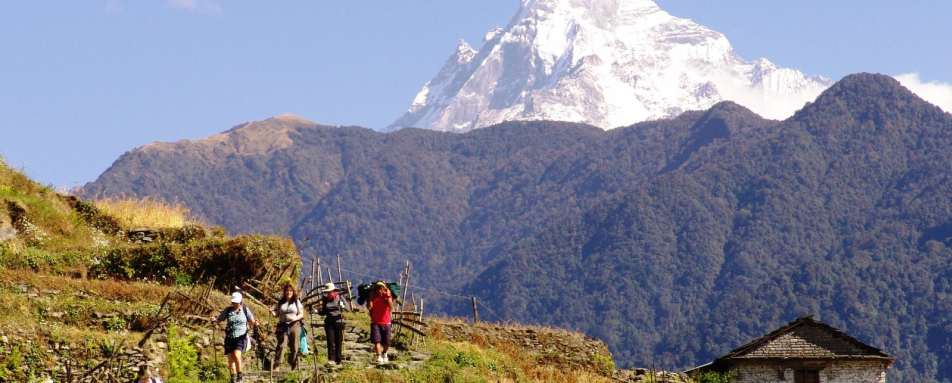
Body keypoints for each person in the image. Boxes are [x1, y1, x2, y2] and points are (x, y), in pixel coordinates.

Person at [212, 291, 258, 383]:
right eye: (233, 302)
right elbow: (219, 319)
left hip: (241, 337)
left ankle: (240, 377)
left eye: (236, 302)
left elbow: (252, 321)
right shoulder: (228, 310)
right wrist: (214, 320)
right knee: (230, 359)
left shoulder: (245, 309)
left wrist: (253, 324)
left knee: (237, 355)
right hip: (230, 337)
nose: (234, 304)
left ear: (240, 301)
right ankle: (233, 378)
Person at [271, 283, 305, 371]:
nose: (288, 292)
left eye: (290, 291)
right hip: (283, 326)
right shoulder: (281, 302)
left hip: (294, 325)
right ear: (284, 292)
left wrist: (295, 318)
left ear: (293, 292)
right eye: (287, 291)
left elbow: (301, 314)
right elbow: (277, 314)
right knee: (282, 345)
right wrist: (272, 312)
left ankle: (294, 365)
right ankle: (277, 365)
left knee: (294, 346)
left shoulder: (296, 301)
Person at [317, 282, 345, 364]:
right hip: (329, 322)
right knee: (330, 341)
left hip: (338, 321)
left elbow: (348, 308)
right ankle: (331, 359)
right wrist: (318, 311)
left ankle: (338, 359)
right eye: (327, 292)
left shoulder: (339, 297)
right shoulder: (325, 299)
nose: (328, 293)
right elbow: (324, 311)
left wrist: (342, 306)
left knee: (338, 341)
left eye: (330, 291)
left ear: (334, 290)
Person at [367, 281, 393, 364]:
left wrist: (388, 296)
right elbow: (369, 307)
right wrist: (370, 299)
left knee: (387, 342)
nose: (379, 290)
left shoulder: (387, 296)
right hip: (375, 322)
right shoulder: (373, 297)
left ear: (384, 289)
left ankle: (384, 353)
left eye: (381, 288)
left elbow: (391, 307)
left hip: (386, 322)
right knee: (377, 341)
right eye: (378, 288)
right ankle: (379, 356)